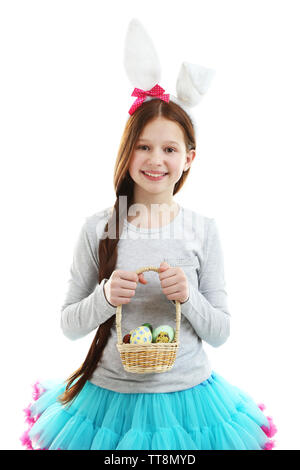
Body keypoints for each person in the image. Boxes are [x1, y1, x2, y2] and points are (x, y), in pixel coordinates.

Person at [20, 19, 277, 451]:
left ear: (189, 158)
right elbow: (68, 325)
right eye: (143, 145)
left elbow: (220, 332)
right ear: (127, 150)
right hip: (108, 402)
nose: (156, 159)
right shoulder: (99, 227)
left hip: (190, 401)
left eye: (170, 149)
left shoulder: (203, 230)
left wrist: (187, 297)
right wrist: (105, 297)